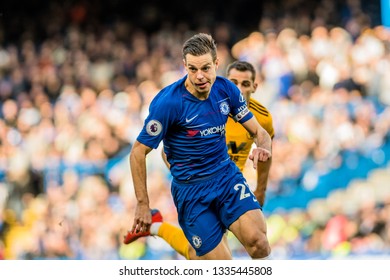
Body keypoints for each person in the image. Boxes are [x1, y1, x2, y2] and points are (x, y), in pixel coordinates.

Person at [126, 33, 272, 260]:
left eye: (205, 68)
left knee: (260, 244)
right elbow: (137, 153)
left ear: (216, 63)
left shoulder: (226, 90)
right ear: (184, 66)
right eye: (192, 69)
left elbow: (260, 133)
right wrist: (143, 204)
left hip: (225, 178)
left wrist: (264, 148)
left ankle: (156, 227)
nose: (199, 76)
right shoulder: (169, 103)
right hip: (191, 192)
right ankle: (155, 226)